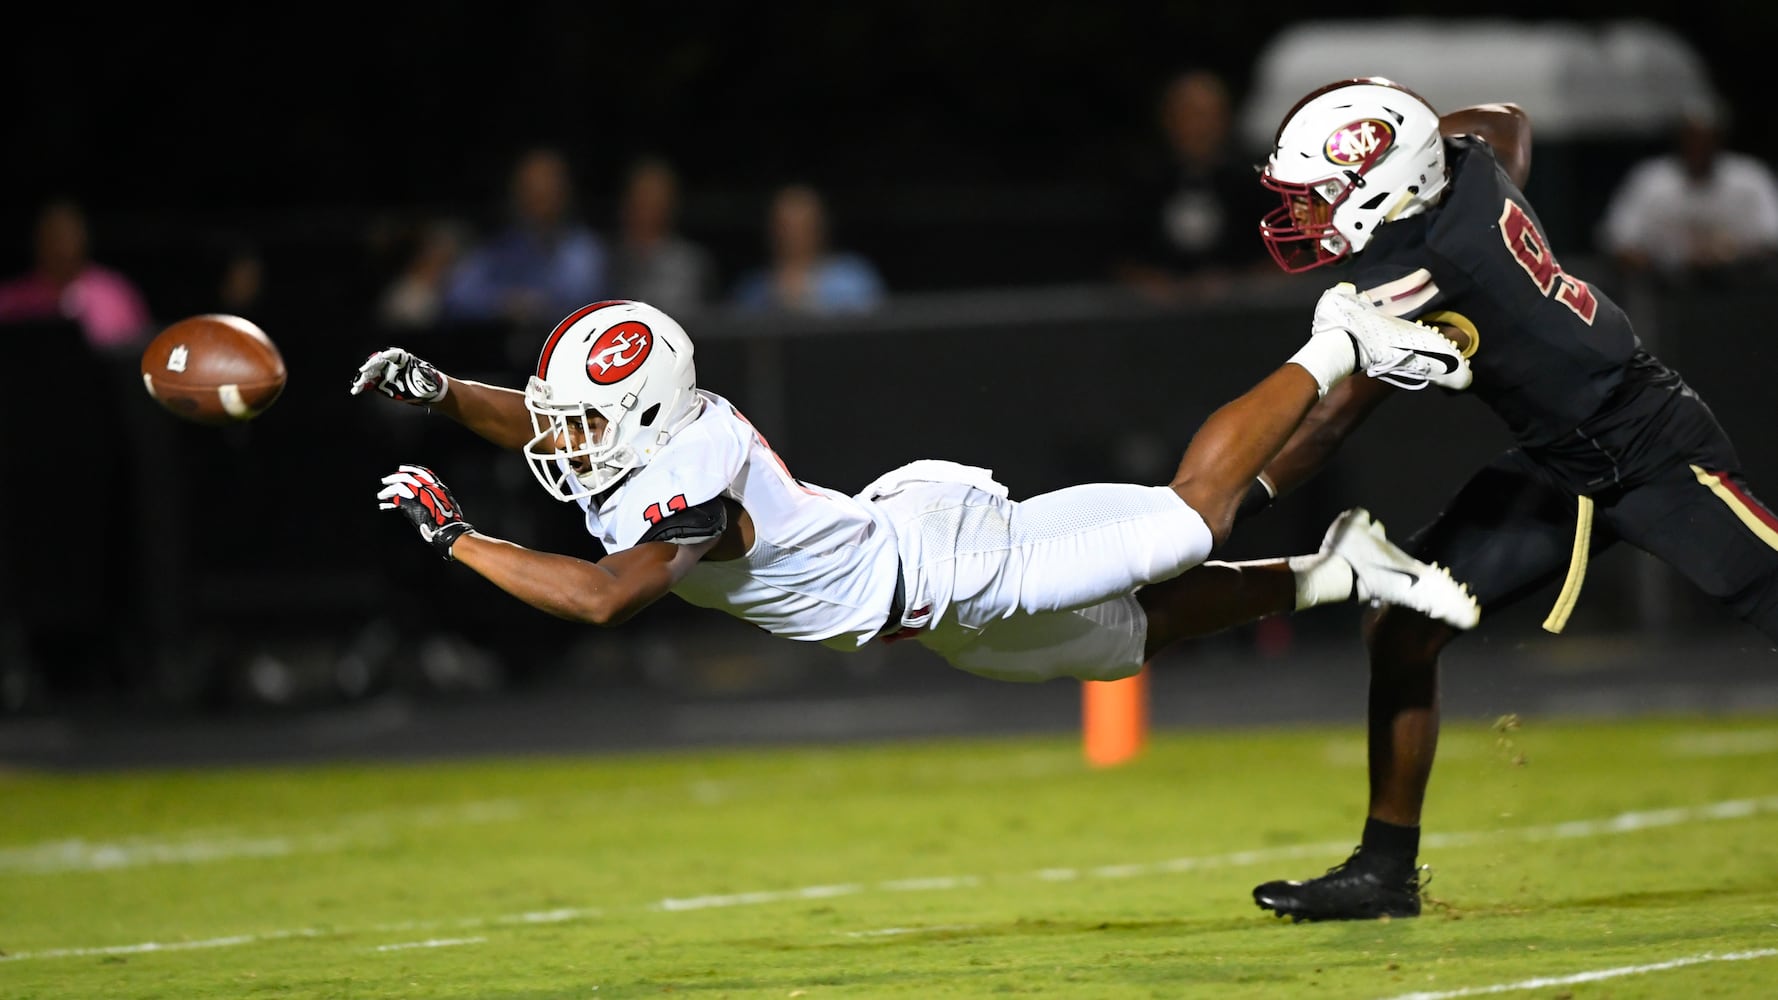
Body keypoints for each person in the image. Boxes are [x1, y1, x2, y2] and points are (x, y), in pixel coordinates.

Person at [1240, 77, 1778, 922]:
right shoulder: (1470, 172)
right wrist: (1421, 137)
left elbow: (1329, 423)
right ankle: (1385, 871)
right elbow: (1499, 122)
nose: (1303, 216)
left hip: (1650, 445)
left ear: (1381, 184)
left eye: (1318, 196)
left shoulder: (1416, 272)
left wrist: (1234, 500)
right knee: (1402, 626)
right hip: (1561, 462)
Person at [349, 297, 1478, 697]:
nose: (559, 434)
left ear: (647, 417)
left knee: (1190, 517)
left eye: (585, 418)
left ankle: (1336, 340)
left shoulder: (690, 481)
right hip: (928, 608)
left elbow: (604, 598)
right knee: (1133, 640)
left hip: (953, 561)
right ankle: (1339, 569)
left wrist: (456, 536)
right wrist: (444, 392)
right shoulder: (639, 437)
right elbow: (541, 417)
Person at [1113, 69, 1278, 303]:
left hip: (1246, 317)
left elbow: (1291, 255)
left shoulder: (1260, 179)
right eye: (1188, 114)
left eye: (1208, 115)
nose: (1199, 127)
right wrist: (1163, 291)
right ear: (1167, 118)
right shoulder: (1141, 181)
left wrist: (1239, 288)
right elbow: (1119, 256)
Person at [1598, 108, 1778, 286]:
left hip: (1742, 285)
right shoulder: (1651, 180)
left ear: (1718, 139)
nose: (1698, 147)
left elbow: (1771, 238)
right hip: (1666, 286)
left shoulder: (1750, 178)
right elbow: (1618, 241)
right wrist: (1667, 263)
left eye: (1706, 140)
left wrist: (1726, 256)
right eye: (1692, 139)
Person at [441, 147, 607, 327]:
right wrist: (504, 303)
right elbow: (458, 296)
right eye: (530, 188)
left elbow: (583, 301)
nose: (538, 198)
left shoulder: (584, 250)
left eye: (547, 189)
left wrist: (537, 305)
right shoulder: (500, 247)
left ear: (564, 192)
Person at [0, 198, 152, 354]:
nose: (60, 244)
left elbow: (141, 355)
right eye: (53, 235)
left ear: (83, 238)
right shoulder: (11, 300)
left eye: (67, 235)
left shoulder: (116, 294)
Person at [732, 184, 884, 314]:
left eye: (801, 225)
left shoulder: (852, 279)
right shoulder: (754, 287)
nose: (791, 235)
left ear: (820, 227)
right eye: (784, 226)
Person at [607, 157, 715, 315]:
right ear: (627, 201)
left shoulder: (691, 263)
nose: (649, 207)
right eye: (642, 196)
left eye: (657, 199)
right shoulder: (605, 258)